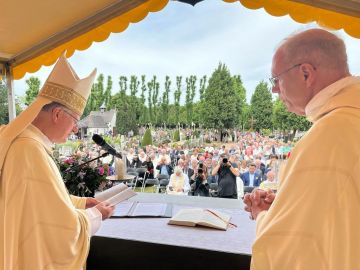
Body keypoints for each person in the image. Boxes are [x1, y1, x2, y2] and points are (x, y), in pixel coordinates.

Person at [244, 28, 360, 269]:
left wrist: (261, 215)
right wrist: (285, 204)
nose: (274, 90)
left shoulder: (328, 137)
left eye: (276, 80)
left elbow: (289, 246)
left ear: (306, 73)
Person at [0, 54, 115, 269]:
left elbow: (38, 201)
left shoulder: (23, 142)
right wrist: (96, 215)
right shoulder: (29, 150)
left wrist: (82, 202)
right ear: (57, 114)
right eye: (74, 120)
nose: (74, 129)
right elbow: (60, 230)